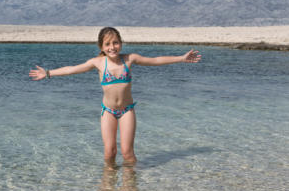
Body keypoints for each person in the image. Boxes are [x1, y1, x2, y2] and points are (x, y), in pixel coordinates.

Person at [29, 27, 201, 166]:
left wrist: (181, 58)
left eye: (116, 43)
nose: (112, 47)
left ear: (121, 43)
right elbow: (71, 69)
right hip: (108, 111)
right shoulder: (97, 63)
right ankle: (108, 184)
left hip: (127, 111)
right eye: (108, 44)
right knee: (109, 152)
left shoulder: (129, 59)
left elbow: (155, 60)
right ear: (102, 47)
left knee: (127, 152)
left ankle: (131, 184)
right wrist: (49, 73)